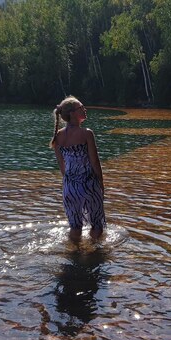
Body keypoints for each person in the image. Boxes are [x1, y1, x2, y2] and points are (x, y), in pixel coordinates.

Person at [50, 96, 106, 242]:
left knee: (75, 227)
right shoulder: (87, 133)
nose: (85, 109)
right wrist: (101, 182)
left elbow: (62, 167)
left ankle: (74, 253)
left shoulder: (58, 137)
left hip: (69, 187)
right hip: (88, 183)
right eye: (81, 107)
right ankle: (95, 254)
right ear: (73, 113)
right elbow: (94, 161)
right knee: (97, 225)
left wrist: (70, 184)